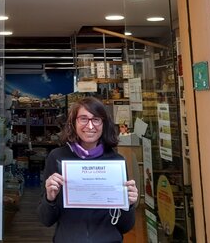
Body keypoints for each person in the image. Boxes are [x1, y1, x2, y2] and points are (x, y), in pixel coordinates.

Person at [37, 96, 138, 242]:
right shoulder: (57, 158)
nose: (90, 126)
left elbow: (125, 227)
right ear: (73, 123)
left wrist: (129, 204)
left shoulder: (116, 162)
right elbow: (46, 220)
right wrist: (49, 199)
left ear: (104, 124)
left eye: (96, 119)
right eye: (83, 119)